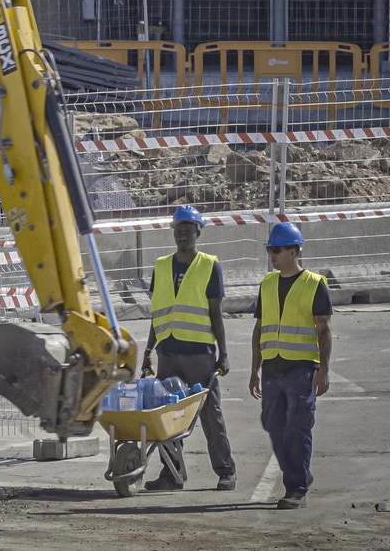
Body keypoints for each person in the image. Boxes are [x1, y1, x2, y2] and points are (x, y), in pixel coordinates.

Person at [141, 205, 236, 491]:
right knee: (166, 415)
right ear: (174, 232)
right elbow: (157, 316)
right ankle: (172, 474)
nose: (183, 235)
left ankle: (226, 471)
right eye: (178, 230)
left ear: (197, 232)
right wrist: (147, 351)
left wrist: (224, 353)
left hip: (199, 355)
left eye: (188, 230)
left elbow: (216, 314)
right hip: (168, 354)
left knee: (210, 415)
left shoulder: (209, 265)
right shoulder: (161, 266)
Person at [248, 222, 333, 510]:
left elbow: (323, 329)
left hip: (301, 369)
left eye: (278, 250)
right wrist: (254, 370)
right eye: (270, 250)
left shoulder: (314, 284)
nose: (273, 255)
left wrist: (323, 369)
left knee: (297, 427)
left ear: (295, 250)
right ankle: (300, 475)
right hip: (272, 367)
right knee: (272, 424)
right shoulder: (267, 284)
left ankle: (295, 487)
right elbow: (259, 328)